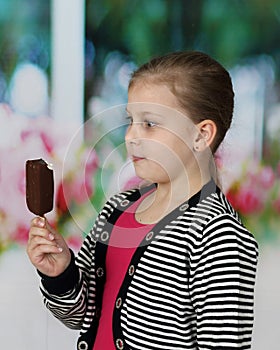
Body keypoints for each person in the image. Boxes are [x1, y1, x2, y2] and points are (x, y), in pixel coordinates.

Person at [27, 51, 258, 350]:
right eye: (130, 121)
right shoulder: (116, 210)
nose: (131, 136)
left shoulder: (217, 237)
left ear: (201, 135)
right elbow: (80, 315)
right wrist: (60, 272)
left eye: (149, 124)